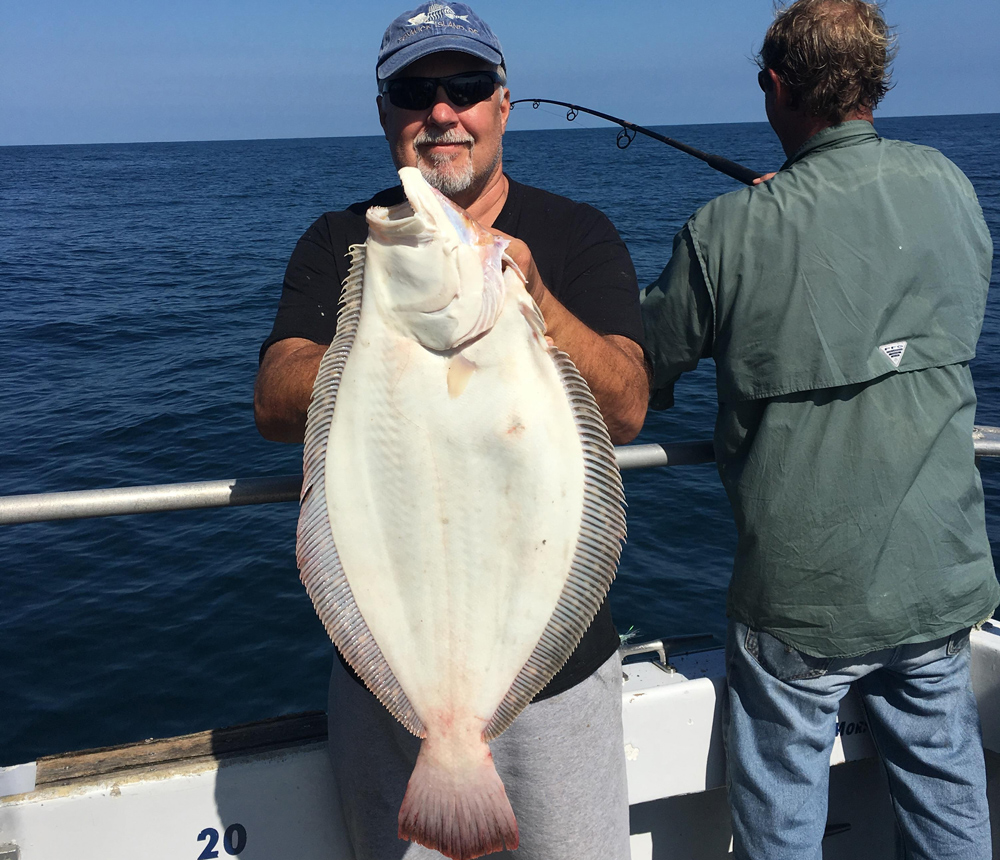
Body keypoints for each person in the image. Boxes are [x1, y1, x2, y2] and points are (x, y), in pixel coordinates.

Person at [254, 4, 648, 858]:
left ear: (503, 105)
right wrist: (379, 345)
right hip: (386, 684)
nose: (441, 112)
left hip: (558, 677)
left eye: (465, 88)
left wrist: (533, 302)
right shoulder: (344, 241)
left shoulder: (577, 235)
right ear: (385, 112)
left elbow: (625, 406)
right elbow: (274, 401)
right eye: (413, 91)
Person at [641, 1, 998, 858]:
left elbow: (644, 368)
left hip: (798, 604)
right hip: (939, 583)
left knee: (782, 832)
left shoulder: (725, 230)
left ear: (774, 84)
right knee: (952, 812)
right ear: (876, 81)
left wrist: (768, 220)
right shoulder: (950, 184)